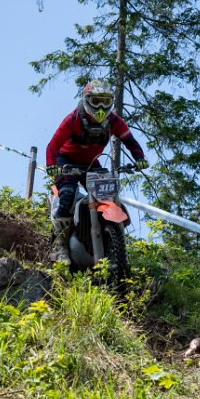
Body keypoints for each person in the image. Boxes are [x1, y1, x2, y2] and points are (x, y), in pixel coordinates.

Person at [45, 78, 148, 265]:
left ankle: (114, 246)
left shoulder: (114, 121)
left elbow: (130, 141)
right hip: (66, 161)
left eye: (105, 101)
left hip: (91, 163)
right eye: (96, 101)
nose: (101, 107)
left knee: (107, 195)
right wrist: (52, 165)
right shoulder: (73, 120)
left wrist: (139, 158)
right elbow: (52, 146)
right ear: (86, 99)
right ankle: (59, 245)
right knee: (67, 194)